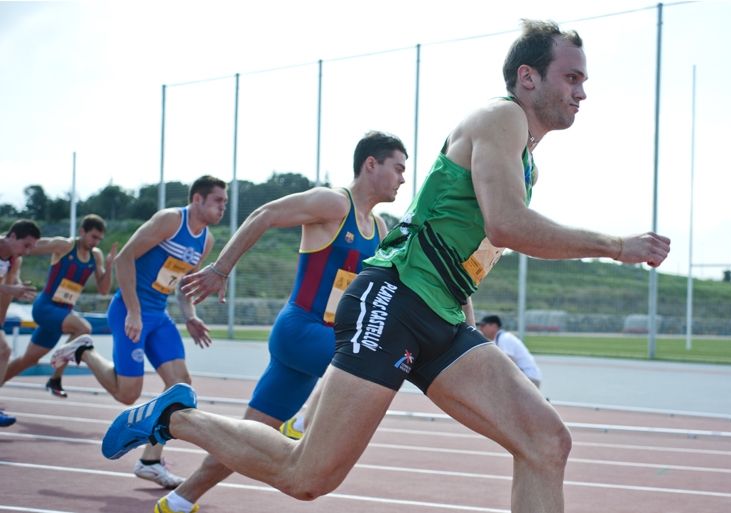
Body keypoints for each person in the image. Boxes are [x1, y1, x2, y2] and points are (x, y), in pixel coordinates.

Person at [101, 20, 671, 513]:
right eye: (571, 78)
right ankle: (175, 418)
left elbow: (466, 245)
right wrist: (616, 246)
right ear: (528, 77)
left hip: (441, 317)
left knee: (546, 442)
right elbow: (507, 225)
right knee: (308, 476)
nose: (581, 92)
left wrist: (465, 312)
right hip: (393, 302)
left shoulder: (526, 161)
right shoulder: (501, 119)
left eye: (583, 81)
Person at [153, 130, 407, 513]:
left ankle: (178, 500)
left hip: (323, 344)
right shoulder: (334, 203)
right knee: (372, 361)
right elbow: (265, 214)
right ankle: (302, 424)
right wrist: (221, 269)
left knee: (249, 436)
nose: (403, 178)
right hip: (302, 330)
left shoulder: (380, 228)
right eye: (398, 168)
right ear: (371, 164)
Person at [51, 175, 227, 488]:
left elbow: (182, 285)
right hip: (129, 310)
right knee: (127, 393)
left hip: (158, 316)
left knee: (181, 387)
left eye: (225, 202)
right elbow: (124, 259)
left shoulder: (207, 240)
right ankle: (84, 351)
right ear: (197, 199)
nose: (223, 207)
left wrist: (190, 316)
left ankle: (150, 462)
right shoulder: (170, 220)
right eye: (218, 200)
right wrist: (133, 310)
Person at [2, 214, 117, 398]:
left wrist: (109, 266)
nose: (95, 242)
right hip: (46, 307)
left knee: (28, 360)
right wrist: (6, 240)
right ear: (82, 231)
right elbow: (31, 245)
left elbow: (103, 290)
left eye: (99, 239)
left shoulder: (96, 256)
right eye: (93, 237)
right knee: (83, 329)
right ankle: (55, 379)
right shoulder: (64, 245)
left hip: (63, 313)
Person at [0, 220, 41, 426]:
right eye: (26, 245)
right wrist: (11, 290)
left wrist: (19, 289)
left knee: (4, 352)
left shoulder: (13, 260)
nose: (27, 251)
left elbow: (10, 284)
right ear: (13, 236)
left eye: (31, 248)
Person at [477, 314, 543, 388]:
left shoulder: (504, 338)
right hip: (525, 378)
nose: (480, 329)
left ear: (494, 326)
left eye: (483, 326)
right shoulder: (499, 339)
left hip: (529, 378)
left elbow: (508, 364)